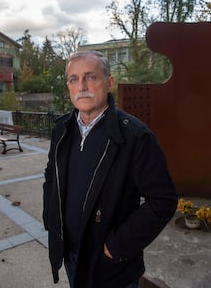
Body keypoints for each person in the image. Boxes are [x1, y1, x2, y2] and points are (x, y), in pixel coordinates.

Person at [43, 50, 178, 288]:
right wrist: (51, 221)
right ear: (68, 86)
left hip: (111, 266)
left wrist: (117, 246)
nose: (81, 85)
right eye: (74, 79)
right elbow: (50, 178)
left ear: (109, 83)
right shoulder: (61, 130)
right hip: (71, 254)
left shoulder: (135, 137)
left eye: (90, 77)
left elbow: (163, 201)